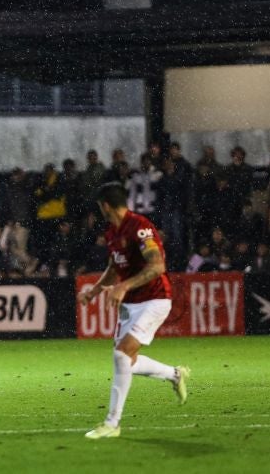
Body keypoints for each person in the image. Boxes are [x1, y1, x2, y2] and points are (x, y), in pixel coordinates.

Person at [77, 182, 190, 439]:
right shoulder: (111, 233)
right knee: (126, 360)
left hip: (155, 299)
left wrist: (124, 286)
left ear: (105, 206)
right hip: (130, 303)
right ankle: (174, 375)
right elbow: (114, 268)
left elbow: (157, 266)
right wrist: (93, 292)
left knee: (121, 354)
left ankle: (112, 423)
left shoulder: (140, 227)